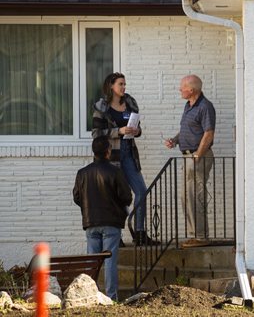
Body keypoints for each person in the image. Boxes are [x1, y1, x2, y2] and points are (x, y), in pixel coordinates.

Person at [92, 72, 157, 246]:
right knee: (114, 196)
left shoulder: (129, 103)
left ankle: (140, 233)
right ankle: (116, 236)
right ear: (111, 86)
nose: (124, 87)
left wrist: (137, 131)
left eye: (125, 84)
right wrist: (117, 132)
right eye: (120, 84)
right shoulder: (102, 108)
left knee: (141, 191)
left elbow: (138, 127)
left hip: (129, 153)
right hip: (112, 155)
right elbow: (96, 134)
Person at [73, 136, 131, 301]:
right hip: (111, 223)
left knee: (92, 263)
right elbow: (126, 196)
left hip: (90, 222)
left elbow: (77, 197)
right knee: (110, 262)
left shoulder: (82, 173)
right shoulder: (115, 171)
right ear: (108, 152)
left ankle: (90, 297)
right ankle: (111, 297)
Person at [164, 75, 216, 248]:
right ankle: (194, 234)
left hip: (197, 157)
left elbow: (208, 134)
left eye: (182, 87)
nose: (180, 89)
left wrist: (198, 155)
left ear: (191, 90)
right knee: (186, 196)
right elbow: (188, 131)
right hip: (189, 156)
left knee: (195, 196)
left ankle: (200, 236)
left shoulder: (205, 106)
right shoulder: (188, 106)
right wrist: (175, 140)